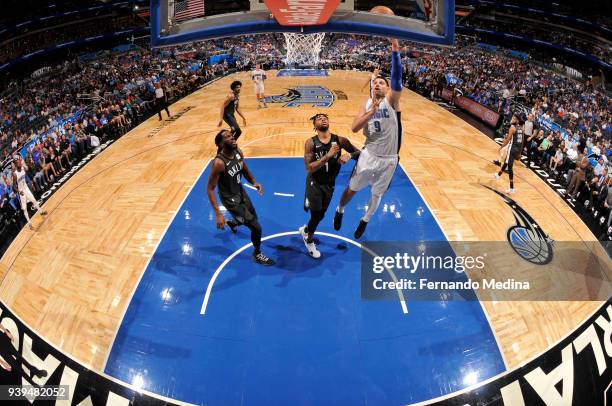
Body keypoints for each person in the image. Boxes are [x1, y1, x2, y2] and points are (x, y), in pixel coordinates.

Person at [333, 38, 403, 239]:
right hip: (369, 155)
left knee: (377, 194)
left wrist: (395, 49)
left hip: (389, 159)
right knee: (351, 189)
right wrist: (370, 113)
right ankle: (340, 209)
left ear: (388, 89)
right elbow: (354, 128)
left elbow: (397, 79)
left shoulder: (392, 101)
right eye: (375, 83)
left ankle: (365, 220)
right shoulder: (365, 105)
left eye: (382, 82)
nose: (378, 84)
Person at [207, 130, 274, 266]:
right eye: (227, 136)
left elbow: (244, 168)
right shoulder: (219, 163)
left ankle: (234, 222)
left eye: (231, 135)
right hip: (230, 199)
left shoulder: (238, 152)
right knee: (256, 228)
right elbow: (209, 189)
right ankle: (257, 253)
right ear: (220, 143)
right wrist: (218, 213)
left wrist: (254, 181)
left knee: (253, 217)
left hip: (240, 192)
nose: (232, 137)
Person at [301, 113, 360, 258]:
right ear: (314, 125)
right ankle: (309, 240)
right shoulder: (311, 143)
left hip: (330, 184)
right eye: (319, 118)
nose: (323, 119)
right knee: (316, 215)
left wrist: (350, 156)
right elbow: (309, 168)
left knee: (321, 215)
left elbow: (360, 153)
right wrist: (327, 156)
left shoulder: (340, 140)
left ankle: (306, 229)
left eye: (325, 117)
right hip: (314, 182)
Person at [494, 114, 526, 194]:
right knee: (507, 161)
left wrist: (501, 146)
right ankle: (498, 175)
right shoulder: (521, 128)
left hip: (511, 149)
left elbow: (508, 140)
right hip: (517, 149)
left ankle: (512, 188)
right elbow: (522, 142)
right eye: (512, 117)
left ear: (517, 120)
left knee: (510, 167)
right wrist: (520, 153)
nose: (512, 118)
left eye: (514, 118)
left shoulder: (512, 127)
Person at [12, 158, 46, 229]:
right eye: (17, 163)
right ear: (15, 164)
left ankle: (41, 211)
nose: (19, 163)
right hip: (21, 191)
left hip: (26, 188)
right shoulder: (15, 174)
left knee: (33, 200)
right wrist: (19, 191)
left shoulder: (22, 169)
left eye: (19, 162)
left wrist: (23, 162)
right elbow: (14, 187)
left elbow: (27, 171)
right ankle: (29, 224)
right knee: (24, 208)